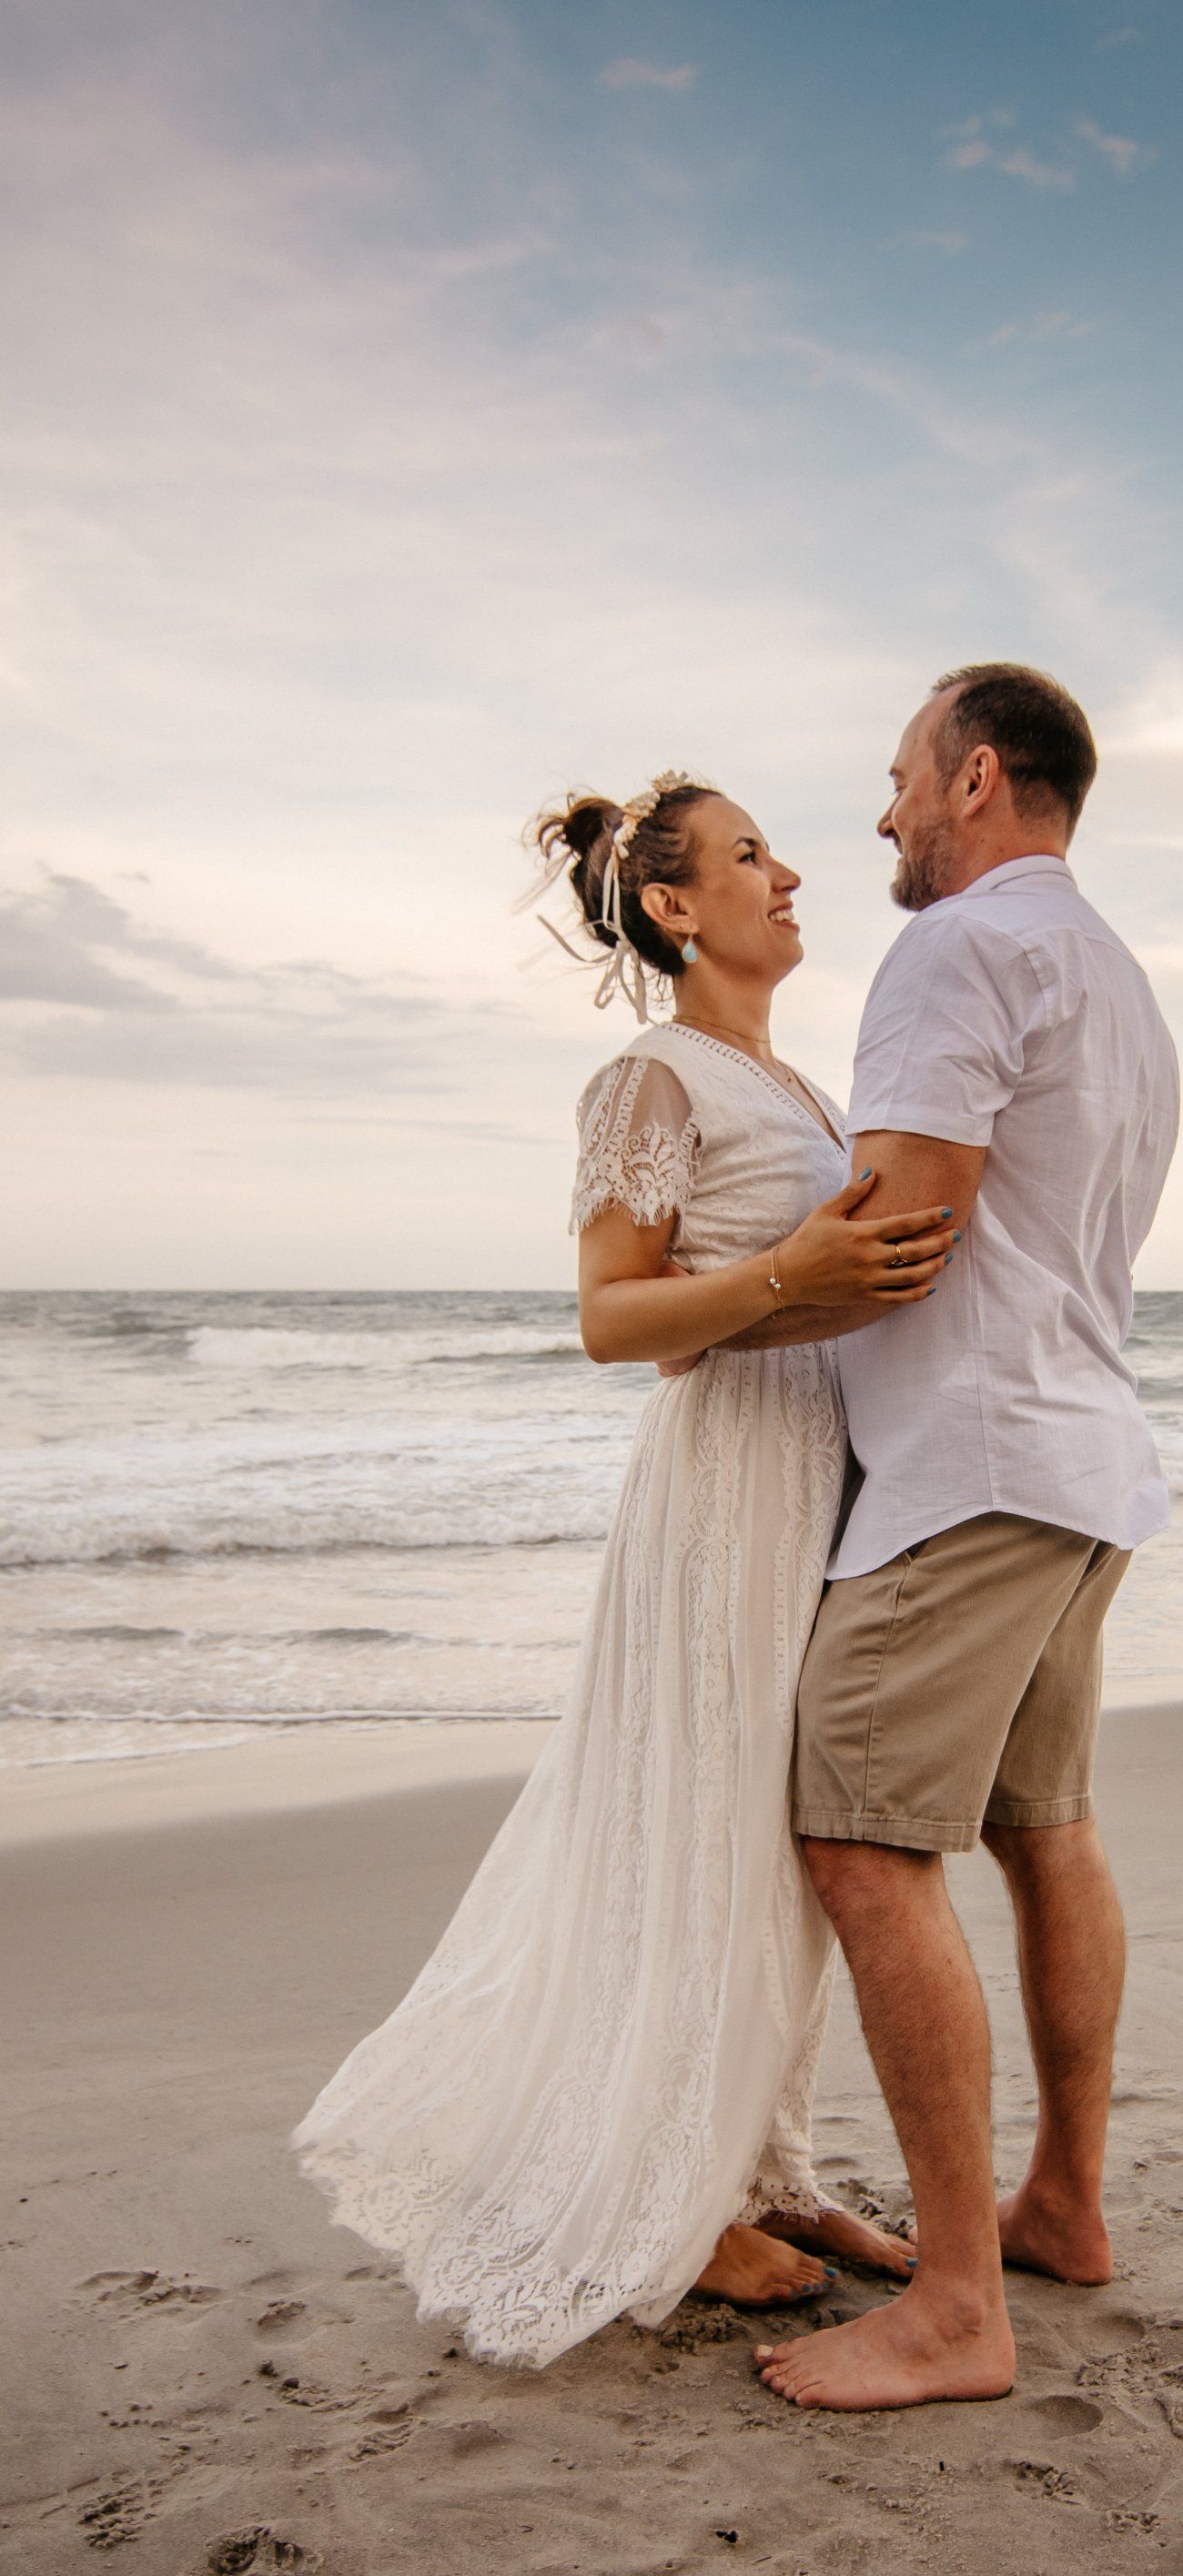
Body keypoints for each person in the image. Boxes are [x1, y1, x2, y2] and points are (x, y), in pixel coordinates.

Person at [292, 772, 949, 2365]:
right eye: (748, 856)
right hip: (727, 1493)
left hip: (821, 1485)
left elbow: (780, 1301)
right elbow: (612, 1321)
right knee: (708, 1828)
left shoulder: (788, 1084)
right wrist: (797, 1266)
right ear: (672, 906)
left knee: (793, 1849)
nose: (789, 874)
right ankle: (679, 2195)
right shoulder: (647, 1079)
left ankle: (769, 2168)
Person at [744, 663, 1181, 2410]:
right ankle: (1062, 2207)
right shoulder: (1119, 975)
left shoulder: (956, 946)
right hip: (1080, 1459)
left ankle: (955, 2310)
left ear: (977, 780)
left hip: (972, 1475)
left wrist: (702, 1327)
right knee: (1044, 1827)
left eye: (904, 779)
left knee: (859, 1842)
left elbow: (903, 1228)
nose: (885, 814)